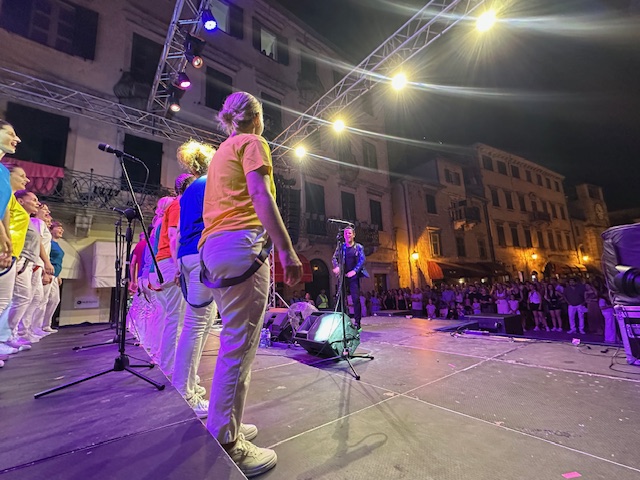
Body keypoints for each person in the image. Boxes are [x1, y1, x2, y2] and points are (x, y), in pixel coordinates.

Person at [198, 91, 302, 477]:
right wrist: (286, 250)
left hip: (214, 247)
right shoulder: (252, 142)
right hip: (241, 244)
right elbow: (259, 193)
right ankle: (228, 442)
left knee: (232, 342)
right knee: (239, 348)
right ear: (257, 119)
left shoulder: (220, 153)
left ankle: (224, 423)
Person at [172, 140, 218, 417]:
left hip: (187, 256)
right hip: (201, 254)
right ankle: (185, 392)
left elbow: (181, 231)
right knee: (196, 325)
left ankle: (190, 384)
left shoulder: (189, 189)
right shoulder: (209, 183)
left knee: (201, 322)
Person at [332, 226, 369, 330]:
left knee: (355, 299)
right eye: (345, 233)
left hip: (353, 277)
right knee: (340, 299)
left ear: (353, 235)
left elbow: (362, 260)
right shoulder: (341, 247)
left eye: (349, 233)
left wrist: (355, 271)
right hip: (343, 276)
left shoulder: (358, 247)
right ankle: (341, 321)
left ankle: (357, 322)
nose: (347, 235)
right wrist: (337, 266)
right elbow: (334, 257)